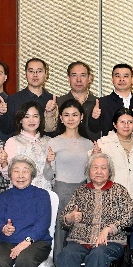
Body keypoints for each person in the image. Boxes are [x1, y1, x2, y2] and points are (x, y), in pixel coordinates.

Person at [54, 153, 133, 267]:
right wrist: (70, 218)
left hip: (111, 241)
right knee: (67, 254)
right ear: (88, 171)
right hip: (81, 240)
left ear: (109, 171)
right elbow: (63, 220)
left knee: (98, 254)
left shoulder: (119, 191)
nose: (99, 171)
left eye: (103, 168)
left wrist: (109, 228)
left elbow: (128, 218)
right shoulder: (80, 192)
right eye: (95, 168)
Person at [50, 100, 96, 256]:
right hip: (61, 192)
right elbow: (48, 175)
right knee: (60, 236)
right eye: (66, 115)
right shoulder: (53, 142)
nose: (70, 119)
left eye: (74, 115)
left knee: (81, 237)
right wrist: (48, 162)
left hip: (83, 193)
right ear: (61, 118)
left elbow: (91, 176)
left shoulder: (89, 144)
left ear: (81, 117)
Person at [1, 102, 55, 191]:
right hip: (21, 193)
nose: (31, 120)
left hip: (45, 192)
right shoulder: (12, 142)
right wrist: (4, 163)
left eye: (35, 116)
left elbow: (53, 175)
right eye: (26, 117)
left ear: (40, 119)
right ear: (20, 120)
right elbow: (8, 176)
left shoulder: (49, 141)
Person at [93, 108, 133, 205]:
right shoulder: (104, 144)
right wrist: (94, 155)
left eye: (130, 122)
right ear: (114, 124)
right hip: (111, 198)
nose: (126, 125)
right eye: (122, 122)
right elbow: (93, 172)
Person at [5, 58, 60, 137]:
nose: (35, 75)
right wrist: (2, 114)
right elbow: (7, 130)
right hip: (21, 143)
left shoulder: (53, 100)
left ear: (46, 74)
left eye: (39, 71)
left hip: (47, 143)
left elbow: (57, 131)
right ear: (25, 74)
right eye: (31, 71)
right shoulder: (13, 99)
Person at [55, 61, 100, 141]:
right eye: (74, 75)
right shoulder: (58, 102)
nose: (78, 80)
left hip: (94, 147)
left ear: (89, 78)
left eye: (83, 75)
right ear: (68, 78)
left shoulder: (99, 104)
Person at [93, 63, 133, 137]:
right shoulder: (102, 102)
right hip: (110, 143)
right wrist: (94, 118)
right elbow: (93, 129)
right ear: (112, 79)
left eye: (125, 76)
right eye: (117, 76)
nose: (121, 79)